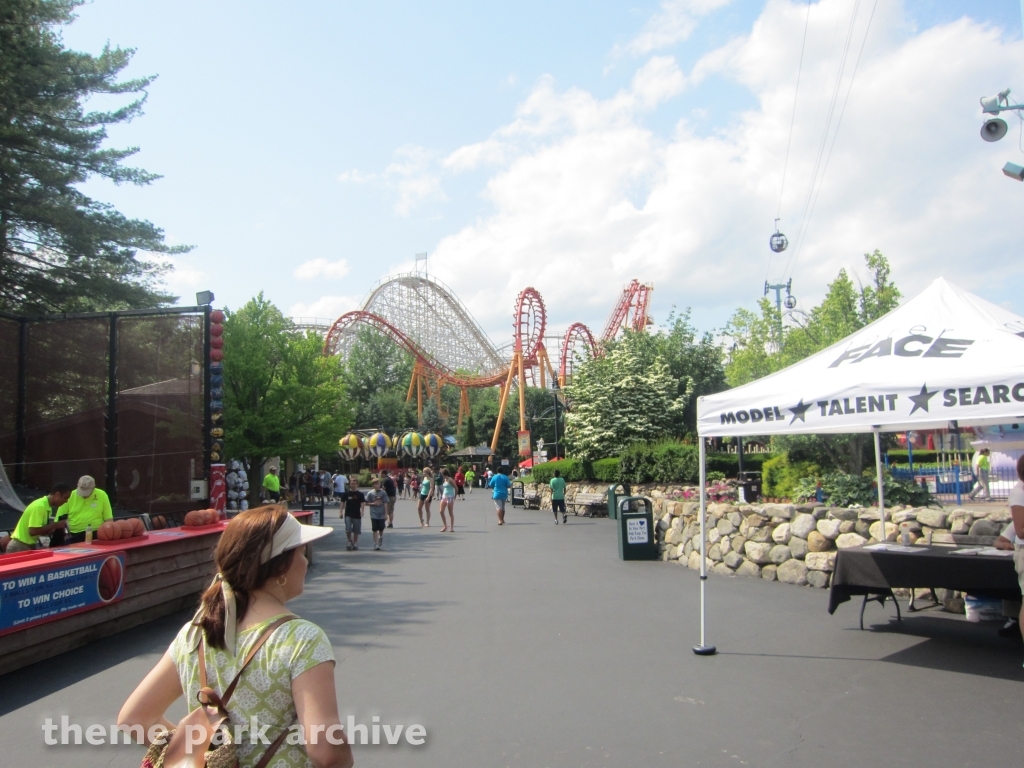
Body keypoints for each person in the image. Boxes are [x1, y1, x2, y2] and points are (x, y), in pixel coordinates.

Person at [118, 505, 352, 768]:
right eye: (301, 552)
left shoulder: (195, 633)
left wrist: (193, 753)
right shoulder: (301, 638)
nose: (306, 561)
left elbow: (135, 717)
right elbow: (327, 753)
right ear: (281, 566)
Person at [6, 483, 72, 553]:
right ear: (57, 495)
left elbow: (39, 529)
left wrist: (55, 531)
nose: (66, 501)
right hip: (20, 546)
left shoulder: (46, 506)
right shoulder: (40, 506)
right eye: (65, 498)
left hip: (26, 544)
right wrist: (55, 525)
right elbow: (33, 531)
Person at [54, 475, 113, 543]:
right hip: (75, 534)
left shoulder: (102, 495)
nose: (84, 495)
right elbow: (59, 519)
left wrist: (109, 531)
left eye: (86, 492)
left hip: (97, 533)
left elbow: (108, 519)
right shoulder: (69, 496)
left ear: (93, 488)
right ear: (77, 486)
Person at [995, 521, 1022, 638]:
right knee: (1006, 578)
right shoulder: (1018, 522)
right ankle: (1013, 619)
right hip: (1017, 562)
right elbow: (997, 541)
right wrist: (1004, 545)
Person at [365, 479, 389, 550]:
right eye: (376, 484)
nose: (377, 485)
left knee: (381, 528)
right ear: (373, 485)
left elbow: (385, 503)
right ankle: (376, 543)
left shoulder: (383, 493)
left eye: (378, 484)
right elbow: (366, 503)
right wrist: (373, 503)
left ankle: (380, 537)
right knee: (374, 529)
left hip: (381, 513)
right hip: (373, 513)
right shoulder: (370, 493)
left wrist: (386, 513)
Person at [342, 478, 365, 551]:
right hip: (348, 513)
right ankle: (349, 541)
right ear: (350, 484)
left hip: (356, 514)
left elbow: (362, 503)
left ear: (357, 484)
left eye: (354, 483)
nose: (353, 485)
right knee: (348, 528)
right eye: (352, 483)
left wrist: (362, 511)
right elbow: (342, 502)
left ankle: (355, 542)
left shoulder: (360, 494)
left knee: (356, 529)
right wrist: (340, 512)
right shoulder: (346, 494)